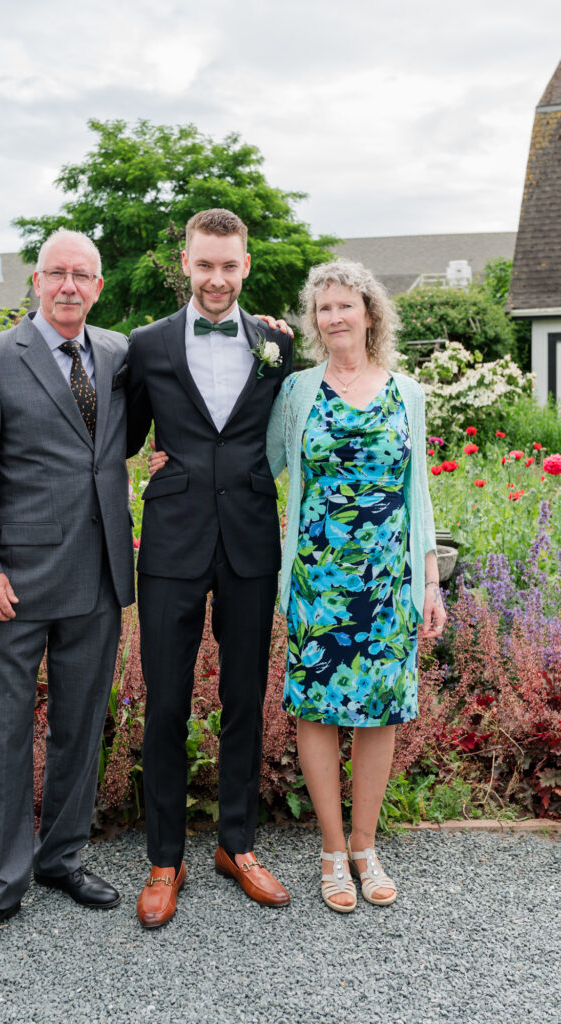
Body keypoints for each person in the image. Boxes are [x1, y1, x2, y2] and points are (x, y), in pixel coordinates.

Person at [0, 229, 134, 955]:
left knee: (80, 730)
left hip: (96, 578)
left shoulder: (118, 354)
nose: (68, 286)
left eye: (81, 275)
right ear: (35, 280)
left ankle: (61, 860)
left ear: (98, 285)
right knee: (3, 734)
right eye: (56, 273)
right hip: (14, 585)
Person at [126, 208, 293, 928]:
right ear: (186, 265)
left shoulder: (278, 346)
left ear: (245, 266)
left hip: (251, 539)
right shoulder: (148, 344)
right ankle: (166, 857)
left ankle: (237, 844)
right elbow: (125, 437)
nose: (217, 278)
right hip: (171, 541)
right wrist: (148, 469)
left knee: (244, 698)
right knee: (163, 703)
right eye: (205, 265)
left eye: (229, 265)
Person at [266, 259, 445, 912]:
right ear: (314, 322)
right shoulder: (299, 393)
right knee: (316, 710)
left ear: (370, 313)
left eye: (346, 305)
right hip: (319, 579)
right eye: (323, 308)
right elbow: (261, 464)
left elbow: (417, 490)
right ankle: (332, 851)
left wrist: (430, 581)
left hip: (387, 581)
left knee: (379, 714)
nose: (335, 317)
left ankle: (367, 848)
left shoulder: (407, 392)